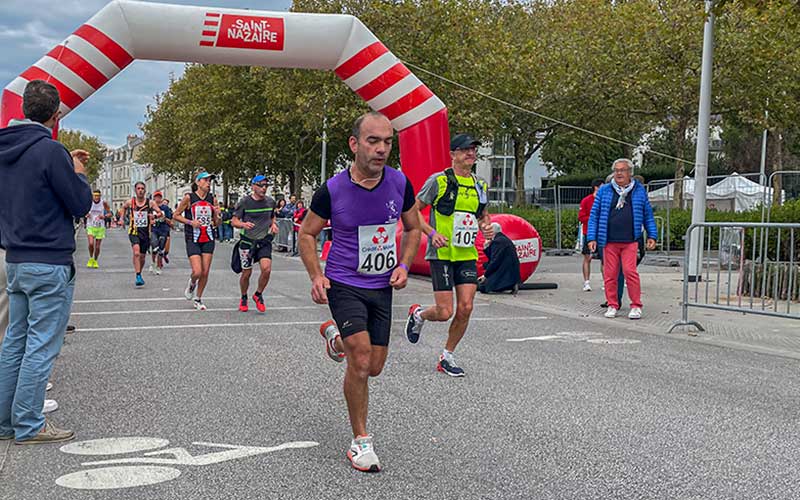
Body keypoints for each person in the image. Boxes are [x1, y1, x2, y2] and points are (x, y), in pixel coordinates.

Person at [299, 112, 421, 473]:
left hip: (382, 285)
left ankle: (335, 339)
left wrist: (404, 264)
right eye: (373, 141)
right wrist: (316, 276)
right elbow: (307, 234)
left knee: (376, 366)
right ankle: (360, 441)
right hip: (344, 282)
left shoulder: (400, 183)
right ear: (354, 144)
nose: (381, 149)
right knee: (362, 359)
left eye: (387, 142)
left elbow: (413, 228)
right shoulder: (332, 190)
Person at [0, 79, 92, 444]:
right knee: (41, 345)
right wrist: (79, 172)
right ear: (56, 117)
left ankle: (6, 422)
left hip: (16, 257)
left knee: (14, 342)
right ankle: (29, 423)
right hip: (49, 259)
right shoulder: (51, 151)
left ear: (23, 109)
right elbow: (80, 204)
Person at [404, 133, 491, 377]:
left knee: (466, 307)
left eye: (473, 149)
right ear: (453, 154)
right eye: (465, 150)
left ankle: (447, 356)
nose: (471, 154)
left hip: (466, 253)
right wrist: (431, 233)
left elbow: (484, 215)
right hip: (441, 253)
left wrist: (486, 226)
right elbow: (413, 211)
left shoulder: (480, 185)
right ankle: (418, 314)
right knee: (444, 312)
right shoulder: (439, 181)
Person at [587, 159, 657, 319]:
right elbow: (594, 216)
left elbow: (648, 214)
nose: (619, 173)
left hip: (630, 240)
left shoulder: (639, 191)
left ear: (630, 173)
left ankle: (636, 305)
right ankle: (612, 304)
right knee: (610, 274)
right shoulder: (604, 190)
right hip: (609, 240)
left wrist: (652, 234)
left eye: (622, 170)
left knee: (630, 271)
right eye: (616, 170)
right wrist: (591, 237)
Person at [173, 172, 220, 310]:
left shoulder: (213, 199)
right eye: (206, 180)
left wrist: (217, 216)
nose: (208, 183)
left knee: (205, 272)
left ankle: (198, 299)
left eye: (210, 181)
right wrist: (190, 222)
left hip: (208, 237)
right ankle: (192, 282)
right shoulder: (189, 197)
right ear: (198, 182)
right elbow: (175, 215)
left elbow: (217, 223)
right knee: (197, 271)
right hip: (192, 237)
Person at [232, 175, 278, 313]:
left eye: (266, 186)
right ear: (253, 186)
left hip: (263, 241)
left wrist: (274, 225)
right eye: (261, 185)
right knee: (246, 273)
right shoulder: (244, 202)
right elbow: (234, 221)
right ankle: (244, 296)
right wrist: (243, 224)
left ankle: (258, 294)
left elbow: (272, 216)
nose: (264, 188)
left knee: (267, 269)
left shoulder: (270, 202)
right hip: (247, 242)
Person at [119, 182, 162, 287]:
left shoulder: (150, 203)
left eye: (142, 188)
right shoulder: (131, 202)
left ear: (145, 190)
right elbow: (123, 208)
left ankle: (139, 272)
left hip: (145, 233)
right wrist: (122, 219)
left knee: (142, 257)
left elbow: (161, 213)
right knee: (136, 253)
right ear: (135, 190)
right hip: (134, 231)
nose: (140, 190)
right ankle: (138, 275)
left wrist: (154, 216)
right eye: (138, 188)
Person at [478, 222, 520, 294]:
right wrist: (487, 247)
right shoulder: (503, 239)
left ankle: (509, 285)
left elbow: (494, 261)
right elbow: (493, 257)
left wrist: (485, 275)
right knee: (485, 265)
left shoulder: (497, 242)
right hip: (510, 269)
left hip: (505, 271)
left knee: (483, 287)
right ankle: (511, 284)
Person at [578, 179, 603, 291]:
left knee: (605, 259)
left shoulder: (605, 200)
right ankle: (586, 282)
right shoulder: (586, 200)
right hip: (589, 232)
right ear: (596, 187)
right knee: (588, 257)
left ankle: (606, 282)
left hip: (602, 233)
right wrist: (593, 219)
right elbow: (581, 217)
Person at [85, 190, 111, 268]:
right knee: (91, 244)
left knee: (97, 247)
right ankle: (91, 258)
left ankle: (95, 260)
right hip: (90, 225)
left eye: (98, 196)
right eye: (95, 196)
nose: (96, 197)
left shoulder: (103, 203)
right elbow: (83, 211)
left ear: (100, 196)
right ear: (92, 196)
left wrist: (104, 216)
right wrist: (86, 214)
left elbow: (110, 213)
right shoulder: (89, 203)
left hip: (100, 227)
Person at [149, 191, 173, 275]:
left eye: (159, 197)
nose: (158, 199)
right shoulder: (151, 208)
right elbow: (148, 218)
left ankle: (159, 266)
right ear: (154, 198)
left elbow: (170, 220)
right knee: (154, 247)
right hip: (154, 229)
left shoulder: (165, 208)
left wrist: (164, 218)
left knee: (161, 250)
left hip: (163, 229)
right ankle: (153, 263)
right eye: (156, 197)